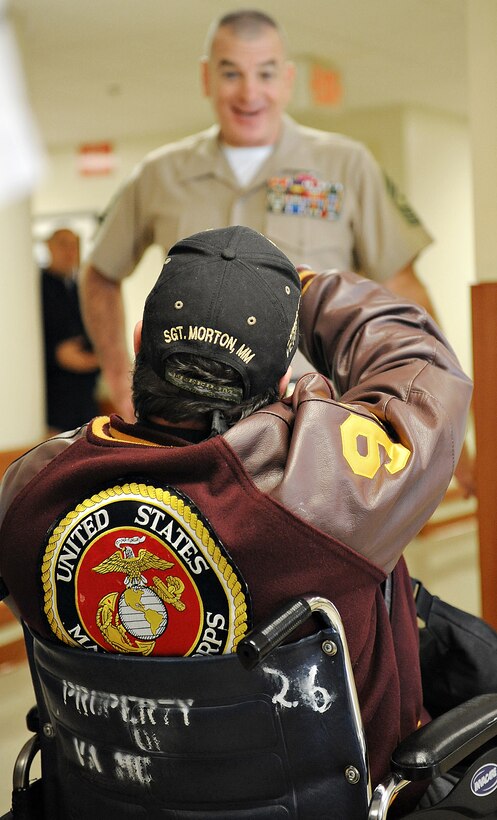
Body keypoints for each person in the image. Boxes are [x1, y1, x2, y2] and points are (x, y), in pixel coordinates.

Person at [0, 226, 471, 812]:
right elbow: (422, 365)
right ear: (281, 383)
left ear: (140, 339)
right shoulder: (326, 493)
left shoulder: (27, 491)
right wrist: (303, 286)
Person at [80, 9, 474, 498]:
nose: (249, 93)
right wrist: (119, 379)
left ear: (287, 80)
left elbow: (402, 287)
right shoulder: (159, 175)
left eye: (265, 73)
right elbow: (100, 273)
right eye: (231, 73)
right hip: (193, 448)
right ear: (207, 77)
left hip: (322, 445)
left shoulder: (345, 166)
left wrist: (446, 427)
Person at [41, 228, 100, 432]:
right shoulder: (37, 287)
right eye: (63, 245)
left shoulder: (81, 287)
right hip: (53, 398)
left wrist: (97, 358)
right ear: (48, 246)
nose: (70, 252)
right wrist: (56, 355)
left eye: (75, 245)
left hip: (85, 395)